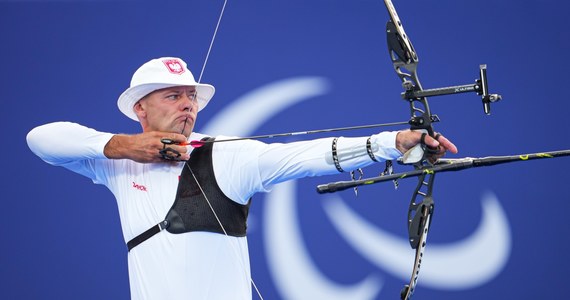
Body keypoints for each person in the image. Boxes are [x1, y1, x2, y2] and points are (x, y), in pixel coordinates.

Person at [26, 57, 457, 300]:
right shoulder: (117, 163)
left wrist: (390, 142)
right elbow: (41, 139)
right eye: (173, 96)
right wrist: (125, 146)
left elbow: (305, 155)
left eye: (191, 97)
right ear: (141, 109)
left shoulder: (226, 155)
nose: (187, 106)